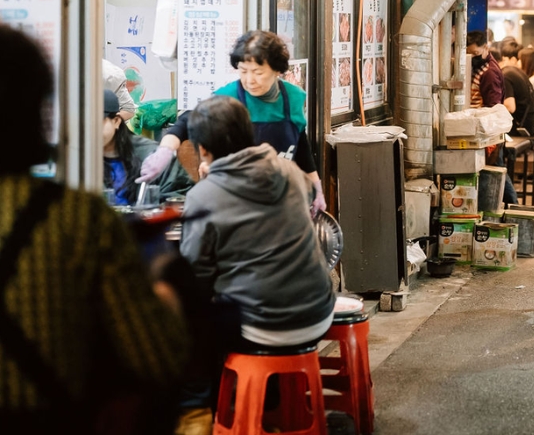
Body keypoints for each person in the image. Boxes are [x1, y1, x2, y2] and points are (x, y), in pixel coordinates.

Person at [0, 26, 187, 430]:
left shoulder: (143, 157)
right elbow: (157, 356)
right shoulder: (76, 218)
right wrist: (164, 289)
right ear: (39, 110)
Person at [179, 95, 335, 348]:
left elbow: (196, 273)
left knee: (190, 321)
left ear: (203, 150)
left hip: (259, 328)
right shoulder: (289, 171)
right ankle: (273, 387)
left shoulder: (203, 195)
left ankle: (230, 387)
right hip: (318, 314)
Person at [140, 30, 326, 214]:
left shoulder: (294, 97)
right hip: (234, 201)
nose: (249, 80)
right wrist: (165, 150)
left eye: (258, 72)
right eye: (243, 71)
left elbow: (300, 146)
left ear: (277, 70)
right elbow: (187, 121)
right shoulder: (228, 96)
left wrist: (317, 187)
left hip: (281, 198)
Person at [103, 90, 192, 206]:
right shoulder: (77, 160)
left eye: (97, 122)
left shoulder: (152, 155)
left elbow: (178, 197)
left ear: (116, 121)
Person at [499, 40, 534, 135]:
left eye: (504, 59)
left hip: (519, 130)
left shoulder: (506, 75)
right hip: (530, 126)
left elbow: (510, 107)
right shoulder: (520, 73)